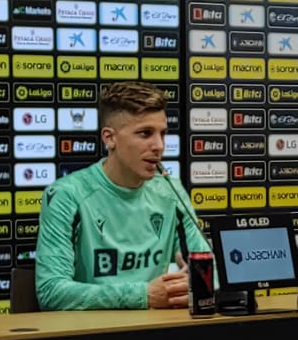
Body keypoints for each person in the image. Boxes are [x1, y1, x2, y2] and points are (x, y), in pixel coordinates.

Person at [34, 81, 211, 310]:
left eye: (163, 134)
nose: (158, 145)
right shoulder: (67, 195)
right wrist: (143, 295)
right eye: (145, 133)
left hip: (159, 333)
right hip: (90, 337)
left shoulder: (171, 190)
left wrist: (194, 285)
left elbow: (210, 273)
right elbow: (51, 292)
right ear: (110, 138)